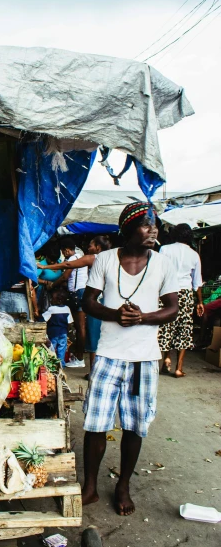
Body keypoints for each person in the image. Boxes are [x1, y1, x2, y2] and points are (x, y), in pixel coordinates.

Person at [81, 202, 178, 516]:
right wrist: (116, 315)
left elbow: (173, 307)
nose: (153, 231)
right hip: (109, 355)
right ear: (126, 229)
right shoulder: (105, 260)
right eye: (146, 225)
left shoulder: (163, 264)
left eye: (155, 226)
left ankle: (123, 486)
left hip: (143, 360)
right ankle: (91, 486)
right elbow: (88, 302)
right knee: (96, 423)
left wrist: (144, 317)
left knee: (134, 427)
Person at [44, 235, 112, 372]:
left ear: (98, 248)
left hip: (91, 296)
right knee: (95, 331)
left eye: (91, 245)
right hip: (104, 297)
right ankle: (93, 367)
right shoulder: (111, 258)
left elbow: (67, 266)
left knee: (85, 328)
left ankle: (82, 360)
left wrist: (42, 266)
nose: (88, 247)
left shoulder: (94, 257)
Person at [158, 223, 204, 377]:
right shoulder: (194, 255)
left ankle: (167, 359)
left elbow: (158, 273)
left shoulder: (165, 249)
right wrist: (200, 302)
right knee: (184, 329)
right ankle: (178, 368)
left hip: (167, 291)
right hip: (185, 294)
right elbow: (197, 282)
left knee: (166, 327)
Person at [58, 237, 88, 368]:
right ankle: (78, 355)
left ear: (66, 250)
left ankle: (80, 358)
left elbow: (65, 276)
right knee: (79, 327)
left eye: (63, 251)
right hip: (81, 292)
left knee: (80, 327)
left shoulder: (72, 259)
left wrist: (52, 285)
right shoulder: (79, 256)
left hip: (77, 293)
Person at [42, 285, 73, 365]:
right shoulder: (67, 308)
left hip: (53, 333)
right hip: (63, 333)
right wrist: (68, 332)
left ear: (58, 301)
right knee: (62, 349)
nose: (51, 300)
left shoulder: (52, 309)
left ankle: (52, 363)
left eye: (52, 298)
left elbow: (44, 318)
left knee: (52, 348)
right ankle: (61, 363)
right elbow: (70, 322)